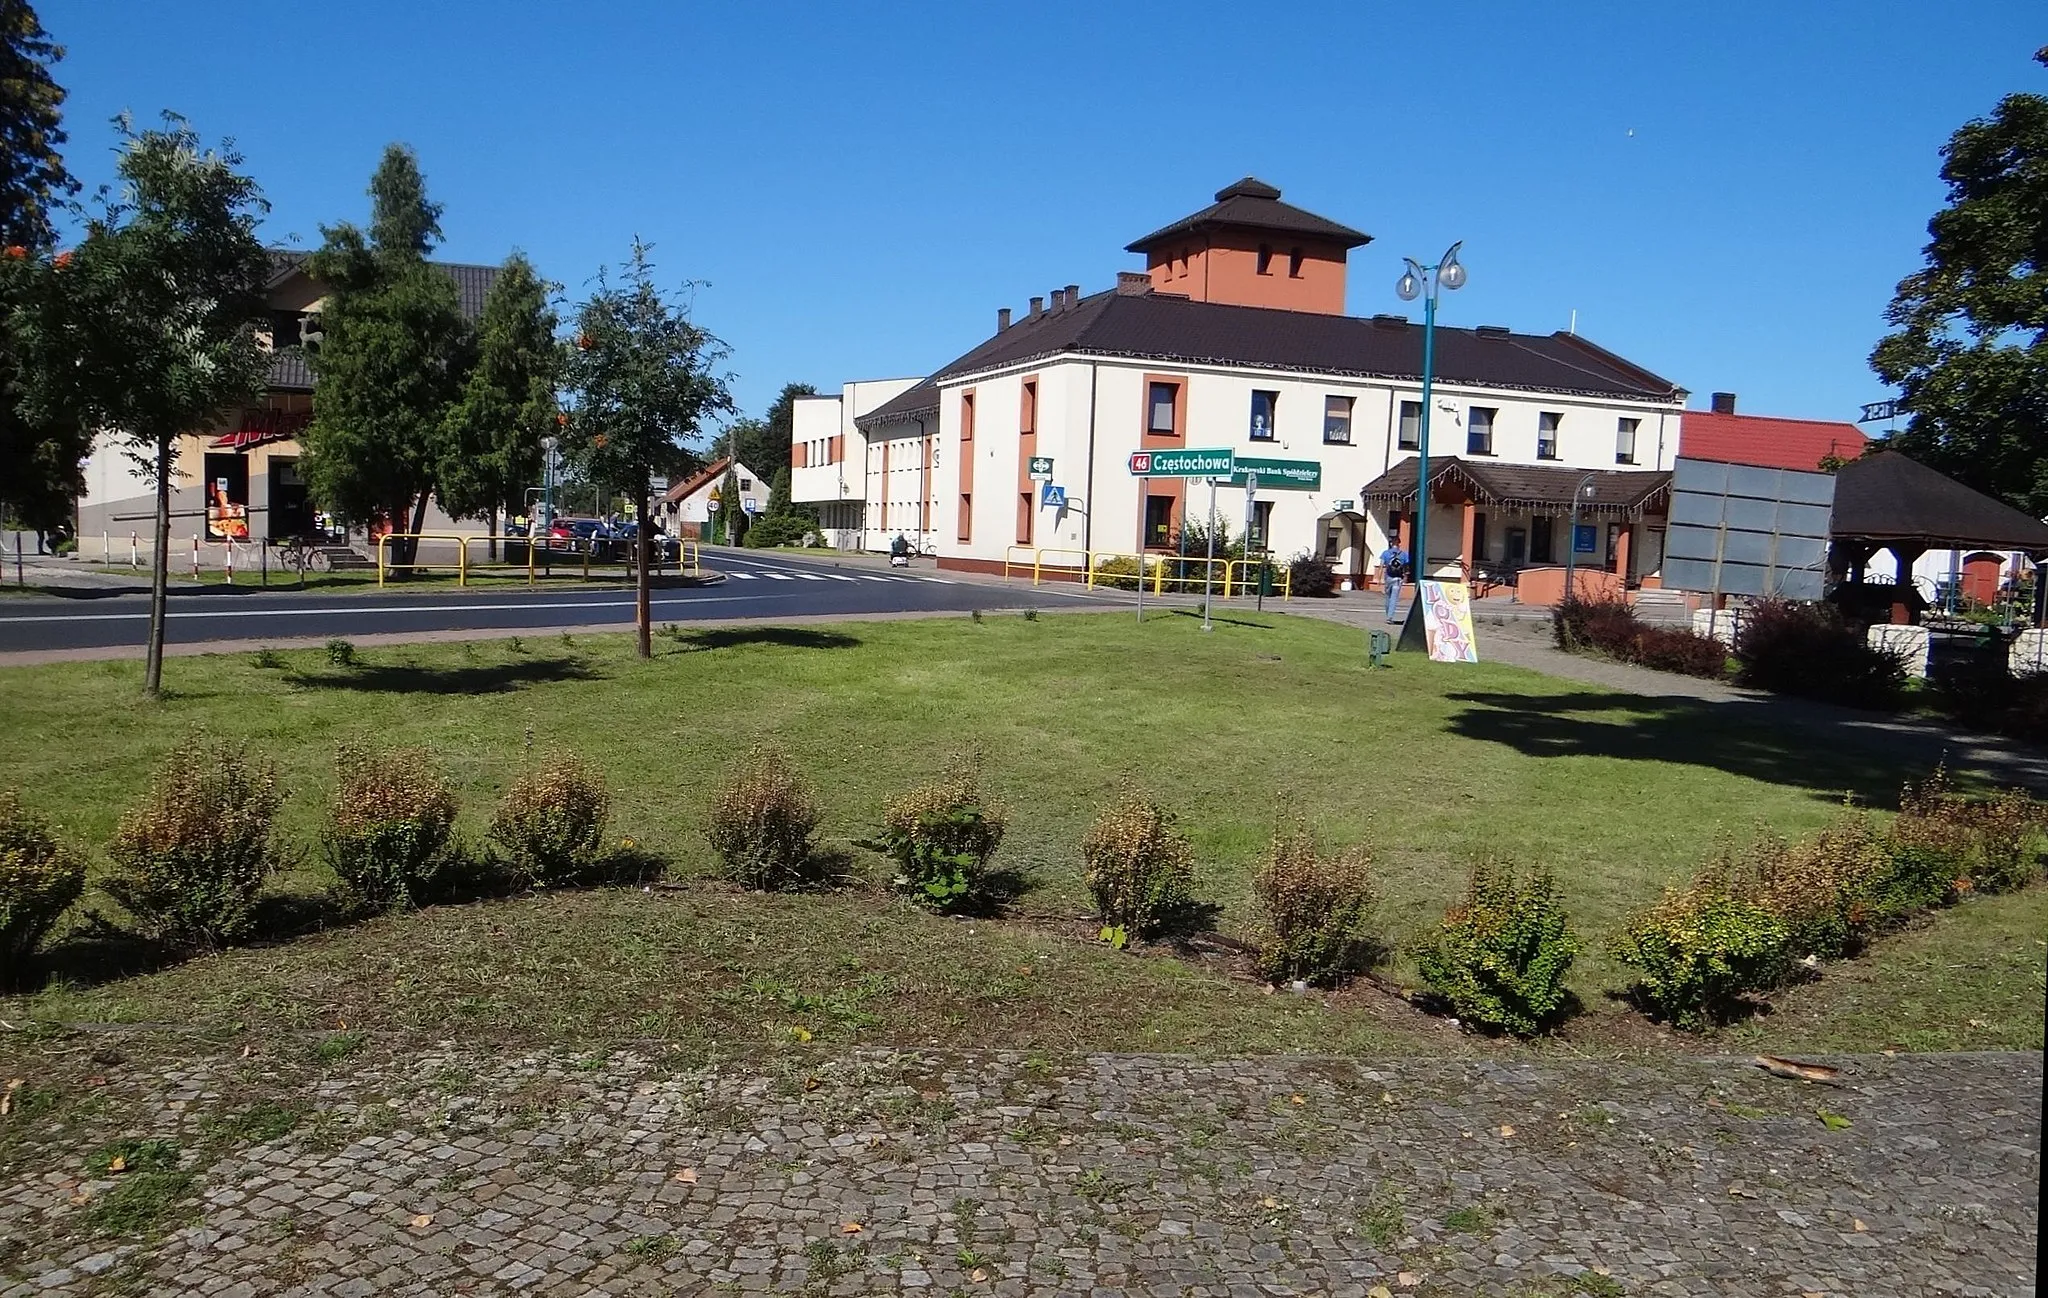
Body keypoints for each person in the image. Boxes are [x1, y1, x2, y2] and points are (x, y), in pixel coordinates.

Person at [1380, 542, 1409, 621]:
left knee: (1388, 597)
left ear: (1391, 543)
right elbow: (1406, 567)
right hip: (1398, 579)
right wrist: (1405, 577)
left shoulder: (1385, 553)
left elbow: (1381, 566)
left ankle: (1388, 614)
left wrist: (1379, 579)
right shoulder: (1404, 554)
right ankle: (1390, 617)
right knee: (1394, 598)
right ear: (1399, 543)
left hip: (1388, 577)